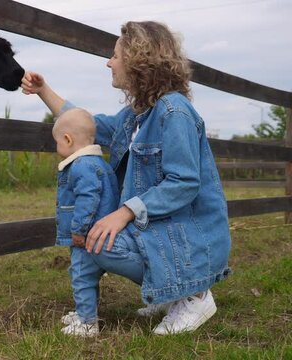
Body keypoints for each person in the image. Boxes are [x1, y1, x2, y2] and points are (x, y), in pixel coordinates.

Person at [22, 21, 231, 335]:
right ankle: (170, 291)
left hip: (186, 235)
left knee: (99, 240)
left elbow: (184, 182)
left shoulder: (174, 112)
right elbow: (84, 125)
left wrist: (123, 213)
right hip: (161, 230)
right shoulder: (136, 115)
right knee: (96, 238)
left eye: (115, 55)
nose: (109, 62)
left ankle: (195, 295)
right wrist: (43, 91)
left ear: (138, 61)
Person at [52, 108, 121, 337]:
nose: (57, 148)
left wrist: (79, 230)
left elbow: (88, 200)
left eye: (57, 142)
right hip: (100, 234)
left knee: (81, 275)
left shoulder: (82, 166)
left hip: (88, 237)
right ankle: (86, 310)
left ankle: (87, 323)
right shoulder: (99, 163)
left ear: (68, 139)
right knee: (89, 276)